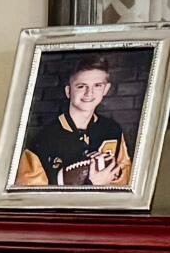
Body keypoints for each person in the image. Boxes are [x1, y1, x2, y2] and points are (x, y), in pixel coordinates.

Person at [14, 58, 132, 189]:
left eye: (97, 85)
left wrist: (114, 173)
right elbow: (29, 197)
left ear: (106, 89)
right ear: (68, 91)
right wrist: (90, 184)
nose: (89, 93)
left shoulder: (112, 130)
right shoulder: (42, 140)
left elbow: (126, 175)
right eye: (81, 86)